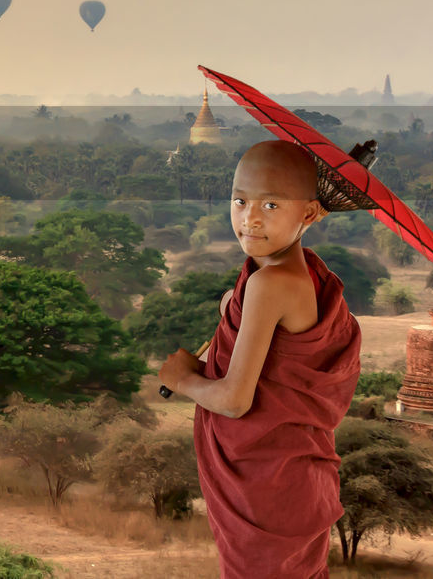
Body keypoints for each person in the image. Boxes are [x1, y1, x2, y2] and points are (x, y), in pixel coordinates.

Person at [158, 140, 362, 578]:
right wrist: (234, 306)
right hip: (289, 478)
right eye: (240, 200)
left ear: (308, 213)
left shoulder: (271, 284)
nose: (249, 218)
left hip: (267, 485)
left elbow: (234, 401)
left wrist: (183, 380)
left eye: (271, 204)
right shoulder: (296, 270)